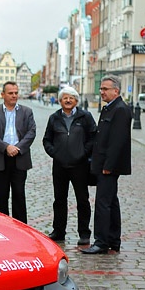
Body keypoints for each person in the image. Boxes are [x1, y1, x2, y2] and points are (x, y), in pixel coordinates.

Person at [82, 75, 132, 255]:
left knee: (103, 203)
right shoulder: (110, 108)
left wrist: (108, 165)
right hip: (103, 162)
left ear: (116, 91)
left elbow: (118, 141)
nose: (101, 92)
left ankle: (101, 241)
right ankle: (113, 239)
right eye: (101, 89)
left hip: (108, 165)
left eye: (105, 89)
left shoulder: (120, 109)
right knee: (111, 201)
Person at [42, 85, 97, 246]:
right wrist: (55, 153)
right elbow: (46, 140)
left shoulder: (85, 117)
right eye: (65, 98)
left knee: (82, 199)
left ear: (76, 101)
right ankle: (59, 231)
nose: (68, 100)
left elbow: (93, 138)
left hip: (79, 165)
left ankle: (84, 233)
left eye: (71, 98)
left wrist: (83, 153)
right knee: (59, 200)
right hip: (59, 165)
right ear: (59, 101)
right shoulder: (54, 118)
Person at [0, 81, 36, 223]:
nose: (14, 96)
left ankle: (21, 227)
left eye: (16, 93)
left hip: (20, 158)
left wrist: (17, 148)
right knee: (1, 196)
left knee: (19, 195)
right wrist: (6, 147)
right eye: (10, 93)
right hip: (0, 158)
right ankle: (4, 225)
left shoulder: (27, 112)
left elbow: (31, 133)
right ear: (3, 95)